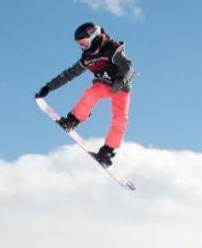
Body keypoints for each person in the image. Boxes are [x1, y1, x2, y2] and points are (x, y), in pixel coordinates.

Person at [35, 22, 134, 168]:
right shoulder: (87, 58)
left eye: (84, 42)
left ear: (94, 37)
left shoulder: (112, 49)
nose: (83, 47)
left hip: (120, 87)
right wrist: (49, 87)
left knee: (120, 119)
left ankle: (107, 151)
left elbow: (128, 65)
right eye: (79, 44)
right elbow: (69, 74)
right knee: (91, 94)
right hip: (103, 84)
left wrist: (121, 79)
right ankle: (74, 119)